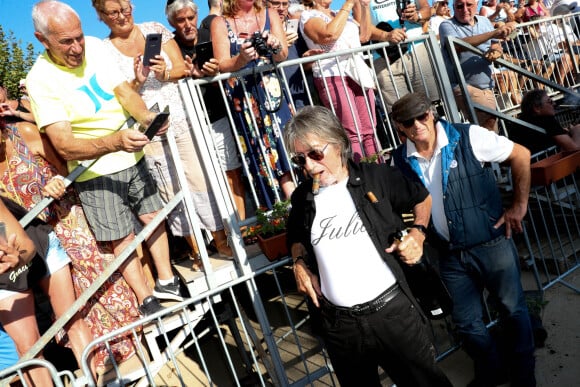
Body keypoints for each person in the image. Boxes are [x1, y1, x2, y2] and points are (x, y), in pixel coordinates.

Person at [26, 0, 181, 317]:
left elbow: (124, 92)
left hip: (131, 153)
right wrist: (115, 141)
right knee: (119, 238)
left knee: (154, 216)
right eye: (66, 41)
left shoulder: (95, 47)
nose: (77, 46)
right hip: (92, 171)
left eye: (79, 36)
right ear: (42, 40)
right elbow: (65, 145)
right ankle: (145, 298)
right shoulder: (39, 79)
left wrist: (147, 117)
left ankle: (167, 282)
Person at [285, 105, 452, 387]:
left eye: (315, 154)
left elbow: (421, 198)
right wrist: (299, 263)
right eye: (300, 160)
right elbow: (295, 236)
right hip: (340, 326)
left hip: (393, 315)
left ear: (337, 143)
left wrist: (418, 234)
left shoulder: (376, 177)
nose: (310, 166)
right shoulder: (303, 197)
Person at [391, 92, 535, 387]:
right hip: (448, 254)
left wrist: (519, 206)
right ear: (399, 127)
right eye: (409, 121)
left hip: (491, 244)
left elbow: (521, 154)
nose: (418, 124)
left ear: (431, 114)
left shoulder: (468, 136)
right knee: (467, 324)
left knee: (512, 310)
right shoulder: (399, 160)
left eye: (422, 116)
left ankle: (523, 376)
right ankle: (493, 371)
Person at [0, 119, 141, 374]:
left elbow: (67, 167)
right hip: (31, 240)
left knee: (98, 282)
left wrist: (56, 181)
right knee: (71, 309)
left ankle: (129, 341)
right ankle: (99, 363)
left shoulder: (24, 132)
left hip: (65, 220)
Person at [166, 0, 248, 256]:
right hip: (189, 123)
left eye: (191, 17)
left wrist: (210, 74)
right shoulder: (171, 46)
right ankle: (218, 239)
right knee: (203, 182)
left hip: (218, 115)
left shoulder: (211, 35)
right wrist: (185, 73)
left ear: (197, 14)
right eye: (181, 20)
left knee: (231, 173)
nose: (188, 24)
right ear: (172, 22)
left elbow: (229, 74)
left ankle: (243, 232)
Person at [0, 194, 97, 383]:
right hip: (3, 273)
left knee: (70, 319)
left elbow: (26, 246)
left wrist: (17, 260)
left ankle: (93, 381)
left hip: (34, 246)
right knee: (28, 348)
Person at [212, 0, 296, 207]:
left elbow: (283, 54)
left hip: (273, 94)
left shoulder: (270, 13)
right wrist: (241, 58)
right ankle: (278, 213)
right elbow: (222, 64)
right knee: (260, 153)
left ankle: (300, 204)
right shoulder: (220, 22)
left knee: (286, 146)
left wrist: (275, 45)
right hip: (244, 100)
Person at [300, 0, 379, 162]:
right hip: (332, 75)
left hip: (357, 73)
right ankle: (361, 176)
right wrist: (349, 4)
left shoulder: (339, 14)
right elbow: (328, 35)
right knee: (353, 131)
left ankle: (379, 171)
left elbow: (364, 36)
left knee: (369, 129)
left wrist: (363, 6)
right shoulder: (308, 16)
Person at [439, 0, 517, 132]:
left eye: (468, 5)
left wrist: (496, 51)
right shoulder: (446, 25)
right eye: (459, 6)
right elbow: (457, 45)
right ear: (453, 7)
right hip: (463, 86)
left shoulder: (484, 21)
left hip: (487, 85)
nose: (464, 9)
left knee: (490, 130)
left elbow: (495, 43)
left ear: (476, 5)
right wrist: (493, 33)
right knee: (489, 121)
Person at [368, 0, 440, 111]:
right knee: (401, 113)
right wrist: (386, 35)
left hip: (417, 51)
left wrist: (417, 15)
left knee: (431, 107)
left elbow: (427, 9)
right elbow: (362, 30)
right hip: (384, 59)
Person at [515, 89, 580, 153]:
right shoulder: (546, 119)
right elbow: (573, 148)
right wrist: (576, 130)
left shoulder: (521, 121)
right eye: (550, 102)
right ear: (537, 108)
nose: (554, 104)